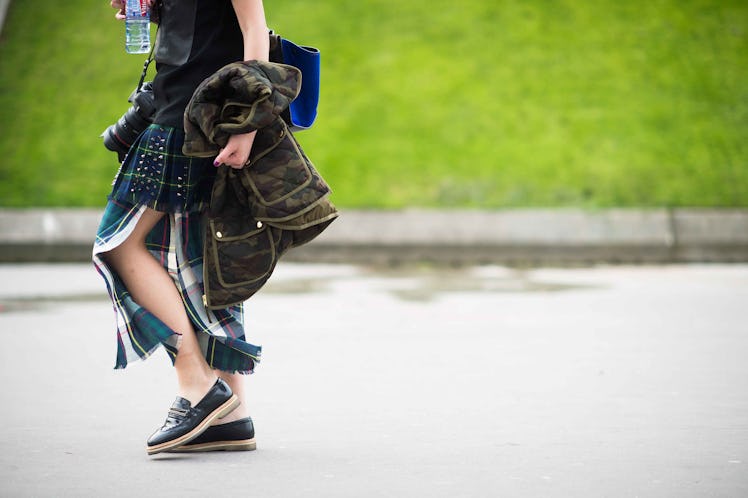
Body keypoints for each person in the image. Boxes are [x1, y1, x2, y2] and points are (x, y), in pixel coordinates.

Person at [93, 0, 269, 455]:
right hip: (186, 112)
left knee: (119, 245)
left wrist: (247, 127)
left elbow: (255, 34)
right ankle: (232, 413)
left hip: (187, 119)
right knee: (204, 261)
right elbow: (209, 26)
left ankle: (197, 381)